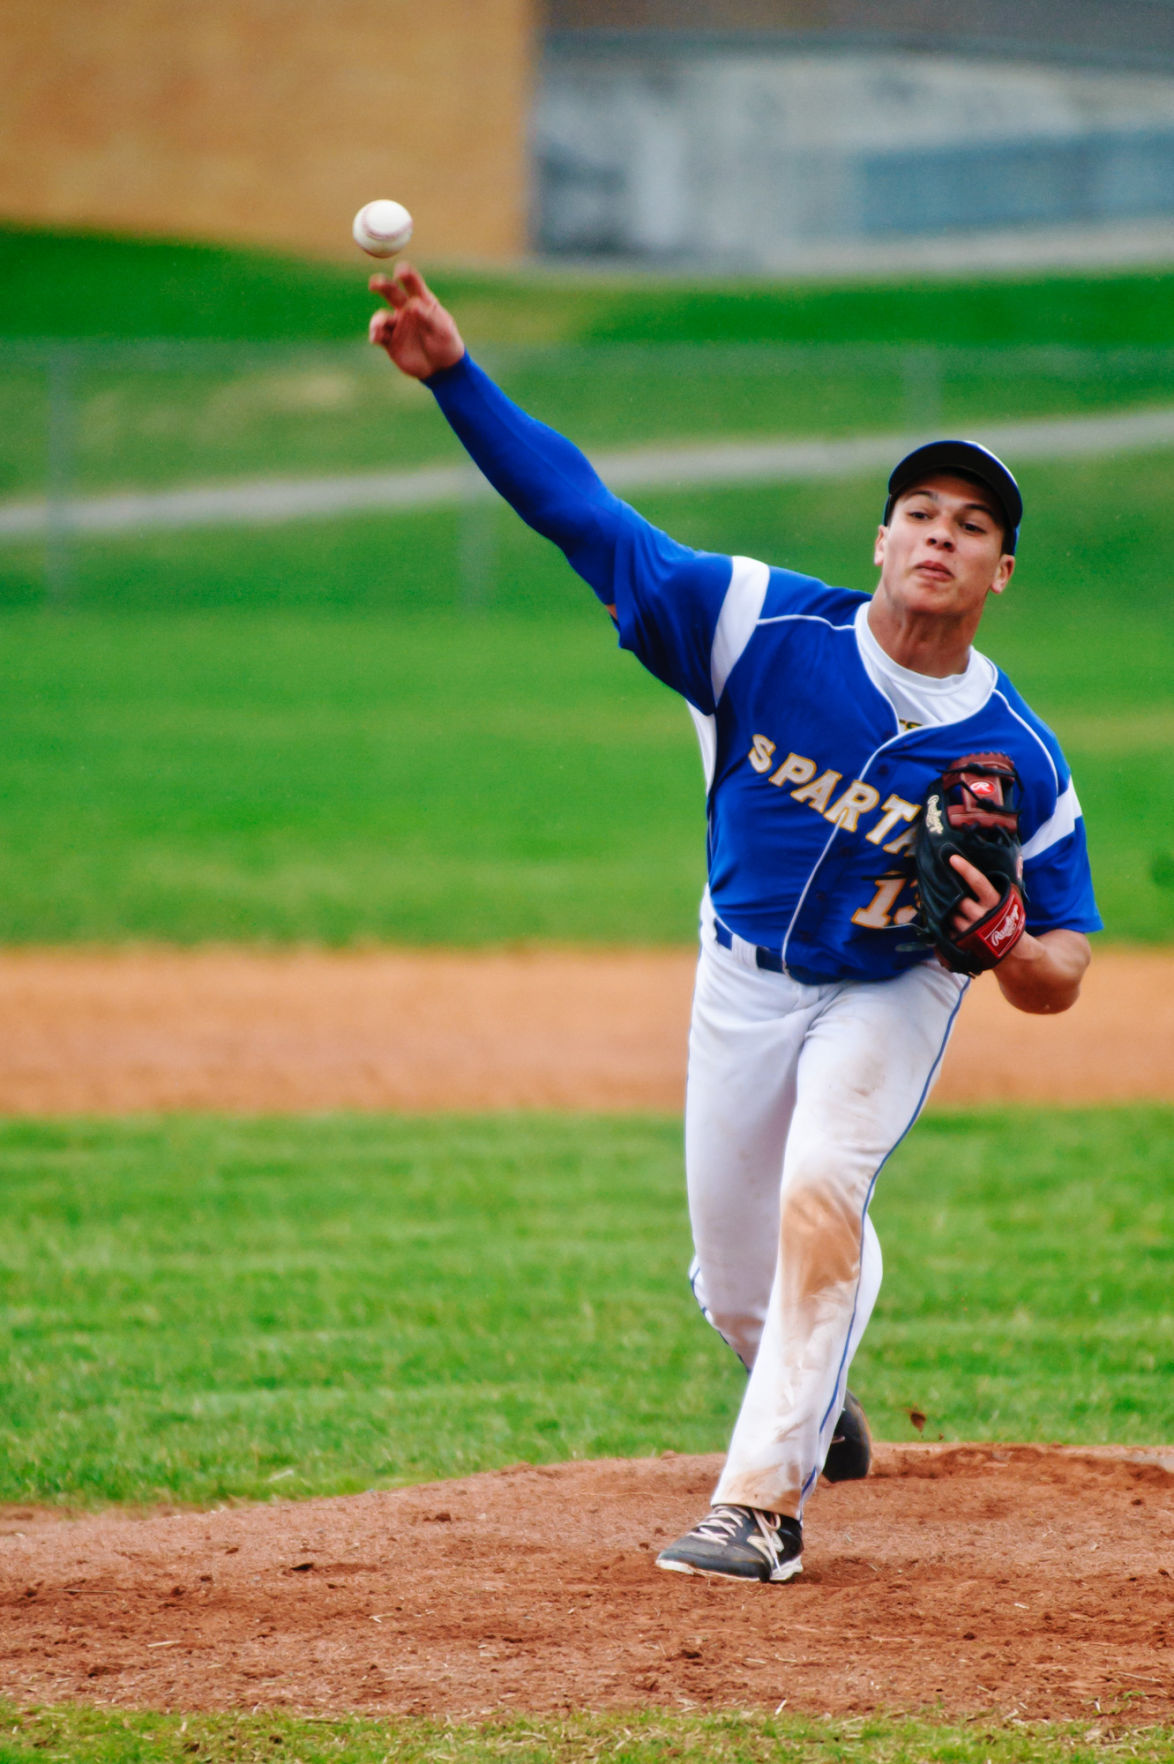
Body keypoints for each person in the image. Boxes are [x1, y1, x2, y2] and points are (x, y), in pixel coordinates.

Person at [368, 265, 1099, 1586]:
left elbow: (1061, 972)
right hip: (740, 978)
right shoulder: (753, 627)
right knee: (733, 1287)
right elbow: (578, 515)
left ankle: (759, 1509)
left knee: (825, 1190)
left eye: (971, 522)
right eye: (917, 511)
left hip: (890, 987)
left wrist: (999, 947)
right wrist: (452, 377)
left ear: (1002, 568)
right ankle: (815, 1393)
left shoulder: (1019, 755)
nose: (939, 533)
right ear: (880, 541)